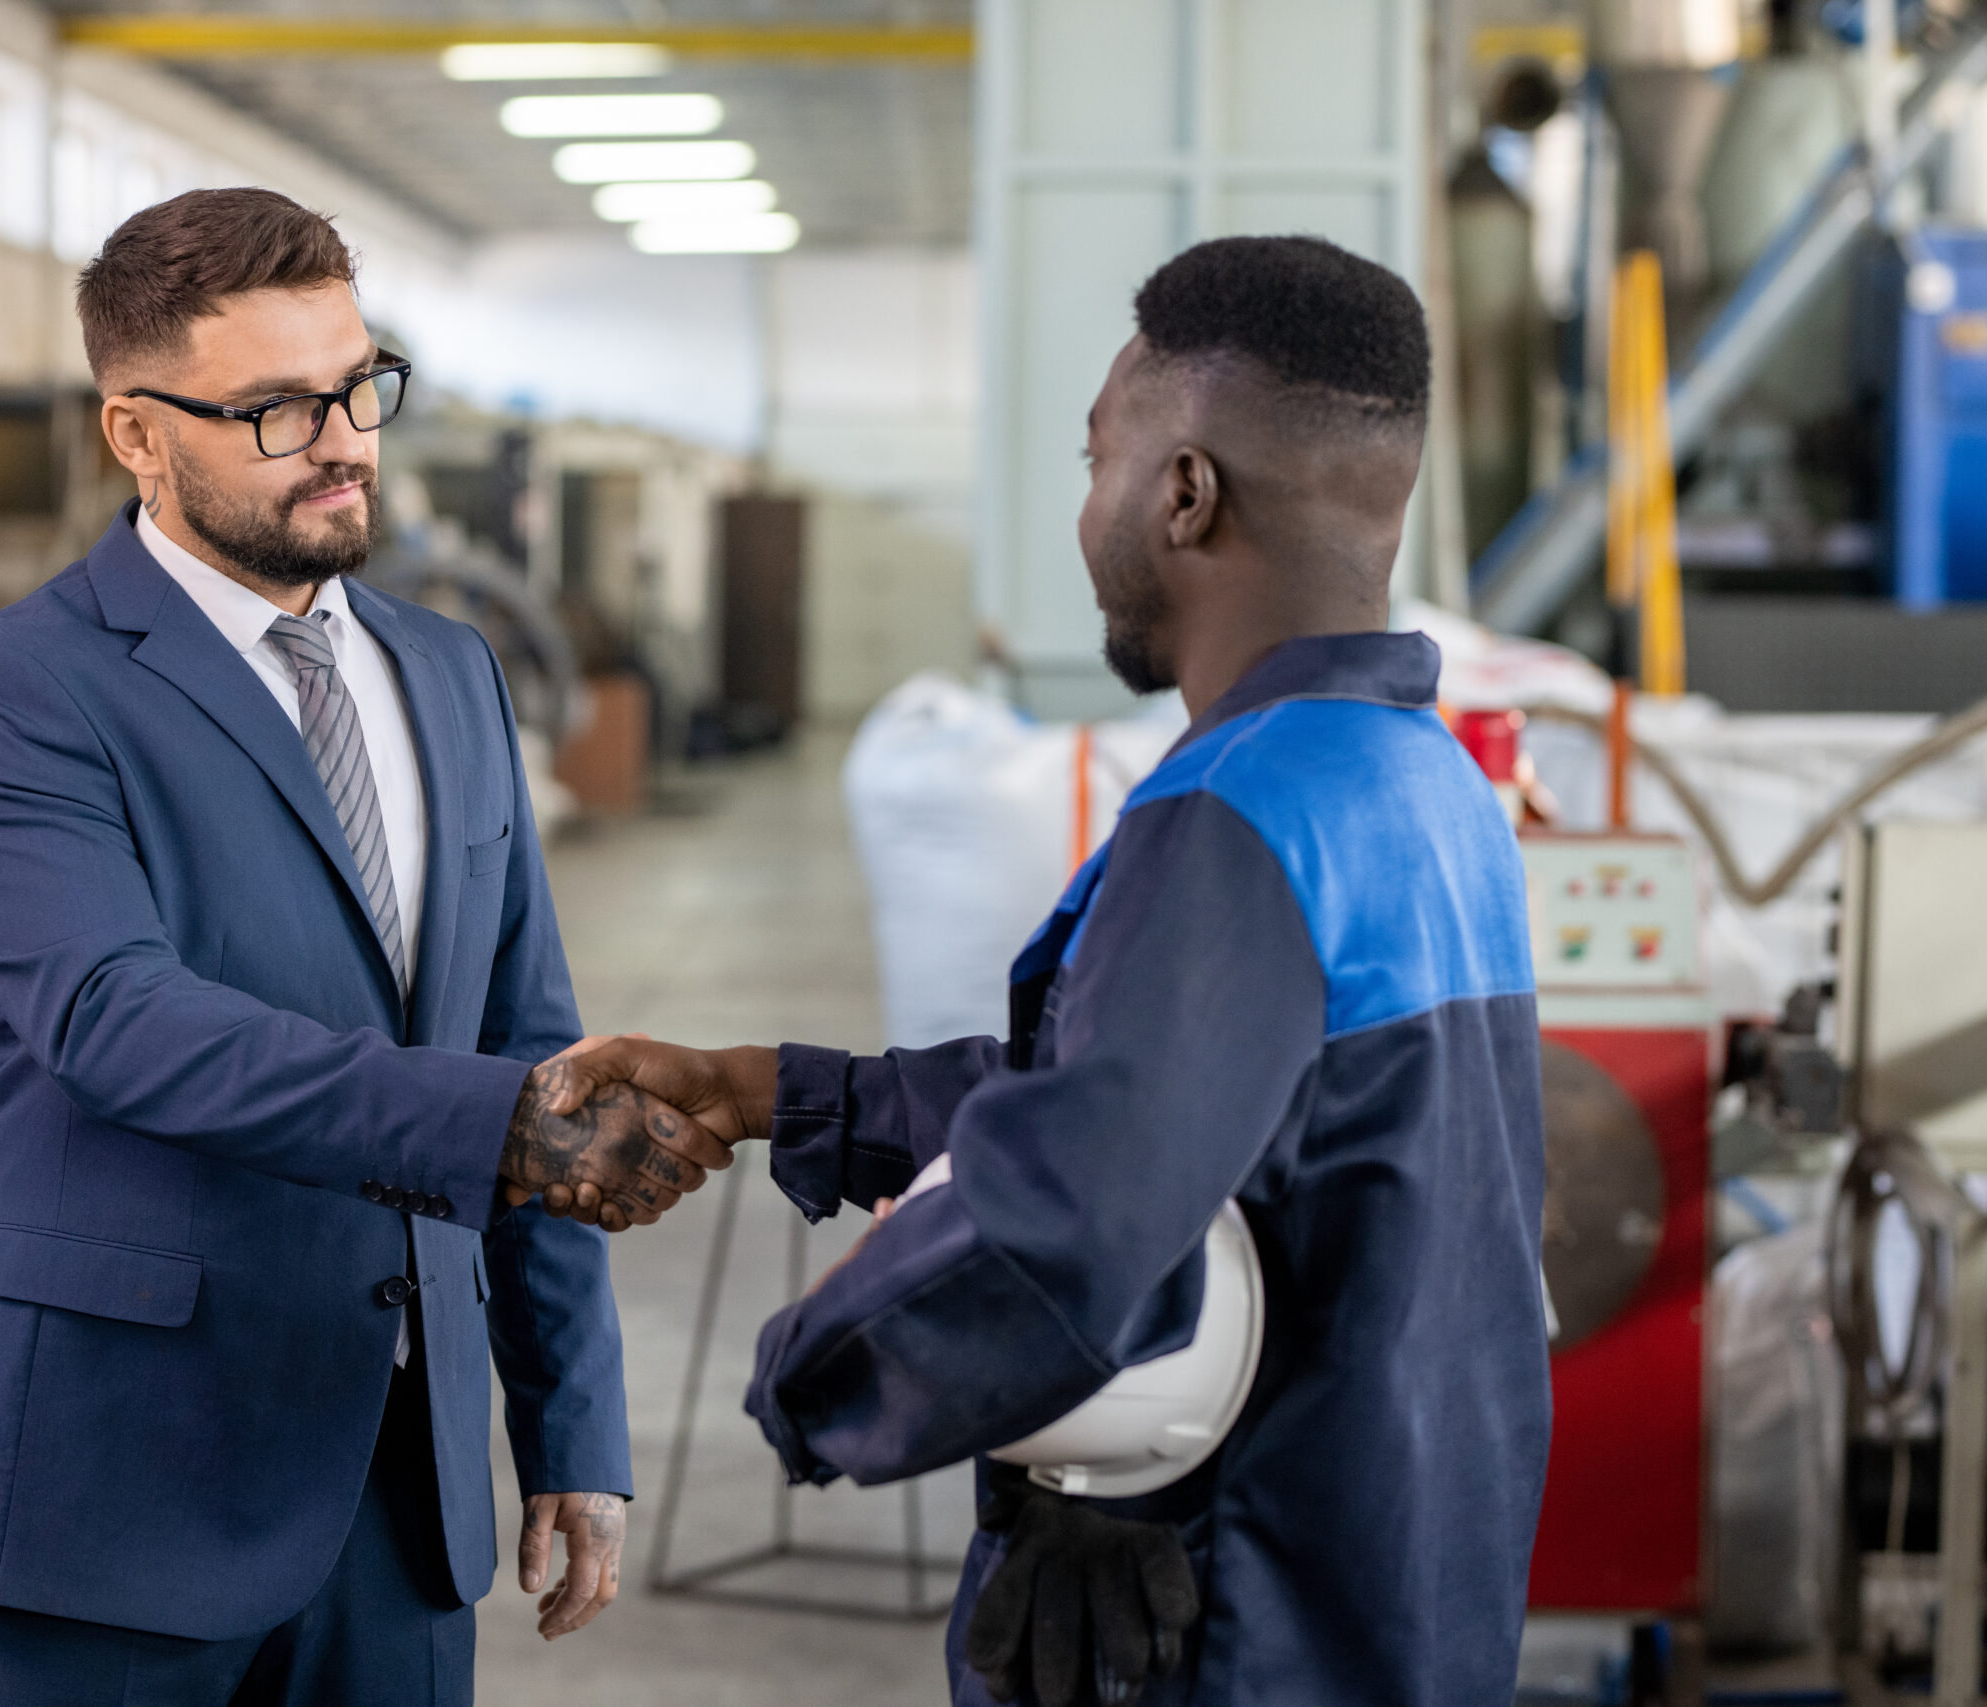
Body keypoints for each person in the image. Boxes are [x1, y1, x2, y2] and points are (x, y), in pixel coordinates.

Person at [550, 236, 1551, 1705]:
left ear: (1184, 493)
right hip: (1407, 1589)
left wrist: (806, 1374)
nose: (1088, 512)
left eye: (1099, 462)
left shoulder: (1236, 820)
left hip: (1243, 1628)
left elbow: (1064, 1226)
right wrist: (772, 1091)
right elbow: (1166, 1101)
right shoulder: (1422, 787)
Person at [0, 187, 725, 1707]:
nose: (346, 438)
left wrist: (572, 1425)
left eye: (358, 384)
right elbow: (117, 1022)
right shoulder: (12, 697)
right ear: (137, 434)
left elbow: (529, 1042)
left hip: (403, 1499)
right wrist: (510, 1133)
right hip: (119, 1491)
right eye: (278, 409)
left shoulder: (451, 673)